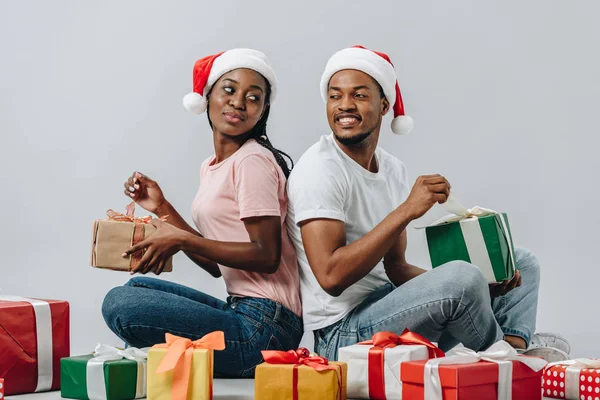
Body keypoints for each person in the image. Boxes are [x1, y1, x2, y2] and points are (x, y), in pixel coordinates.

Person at [286, 45, 569, 362]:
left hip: (390, 305)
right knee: (462, 277)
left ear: (383, 106)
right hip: (343, 336)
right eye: (335, 96)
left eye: (359, 95)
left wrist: (481, 290)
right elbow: (331, 278)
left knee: (518, 261)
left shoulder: (391, 169)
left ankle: (514, 349)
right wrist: (406, 211)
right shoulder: (319, 169)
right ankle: (510, 362)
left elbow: (397, 268)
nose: (344, 106)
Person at [102, 48, 303, 378]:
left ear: (263, 110)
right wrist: (163, 208)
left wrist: (180, 238)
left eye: (253, 97)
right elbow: (215, 266)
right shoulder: (212, 167)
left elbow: (266, 256)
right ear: (208, 95)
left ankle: (156, 367)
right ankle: (163, 366)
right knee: (135, 290)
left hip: (265, 329)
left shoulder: (252, 161)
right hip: (243, 310)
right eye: (229, 90)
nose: (238, 102)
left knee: (119, 304)